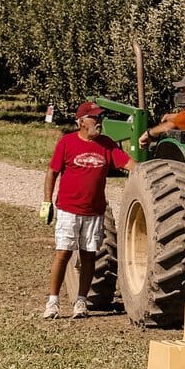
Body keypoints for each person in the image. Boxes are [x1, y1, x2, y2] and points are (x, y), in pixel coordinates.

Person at [40, 102, 132, 318]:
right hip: (69, 210)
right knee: (63, 254)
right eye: (94, 118)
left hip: (95, 211)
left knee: (89, 256)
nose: (99, 122)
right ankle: (52, 302)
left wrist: (148, 172)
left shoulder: (107, 145)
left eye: (100, 118)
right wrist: (47, 202)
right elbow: (52, 172)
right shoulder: (67, 143)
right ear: (81, 122)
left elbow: (129, 164)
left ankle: (81, 301)